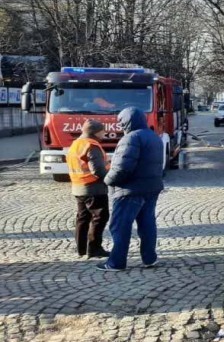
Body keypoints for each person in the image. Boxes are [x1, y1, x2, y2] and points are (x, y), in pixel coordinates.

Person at [97, 107, 164, 271]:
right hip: (151, 188)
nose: (119, 125)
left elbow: (122, 168)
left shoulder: (131, 138)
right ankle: (150, 258)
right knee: (147, 224)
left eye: (121, 121)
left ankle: (116, 263)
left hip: (129, 190)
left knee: (119, 226)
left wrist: (107, 180)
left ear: (127, 121)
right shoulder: (154, 137)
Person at [66, 119, 111, 259]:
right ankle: (94, 248)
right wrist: (110, 178)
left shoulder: (76, 144)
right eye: (103, 130)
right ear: (97, 132)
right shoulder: (92, 145)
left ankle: (81, 249)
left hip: (78, 187)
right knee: (100, 217)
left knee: (83, 218)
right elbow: (98, 170)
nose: (105, 132)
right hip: (94, 188)